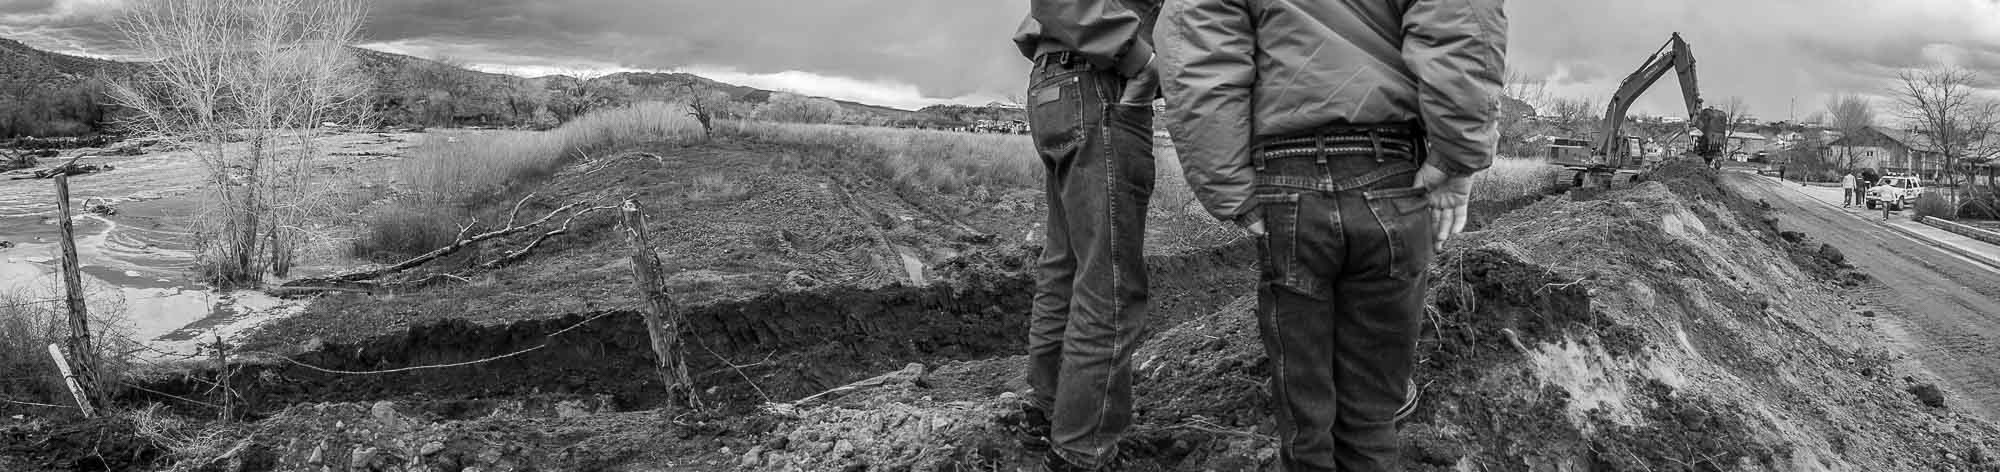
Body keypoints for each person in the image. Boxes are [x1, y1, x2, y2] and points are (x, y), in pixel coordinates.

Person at [1157, 0, 1506, 470]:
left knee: (1305, 423)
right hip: (1391, 172)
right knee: (1370, 420)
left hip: (1288, 178)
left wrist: (1230, 187)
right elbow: (1461, 18)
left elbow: (1197, 42)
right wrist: (1456, 154)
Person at [1010, 1, 1161, 470]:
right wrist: (1142, 60)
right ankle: (1081, 451)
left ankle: (1049, 414)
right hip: (1099, 81)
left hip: (1060, 78)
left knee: (1068, 264)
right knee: (1109, 281)